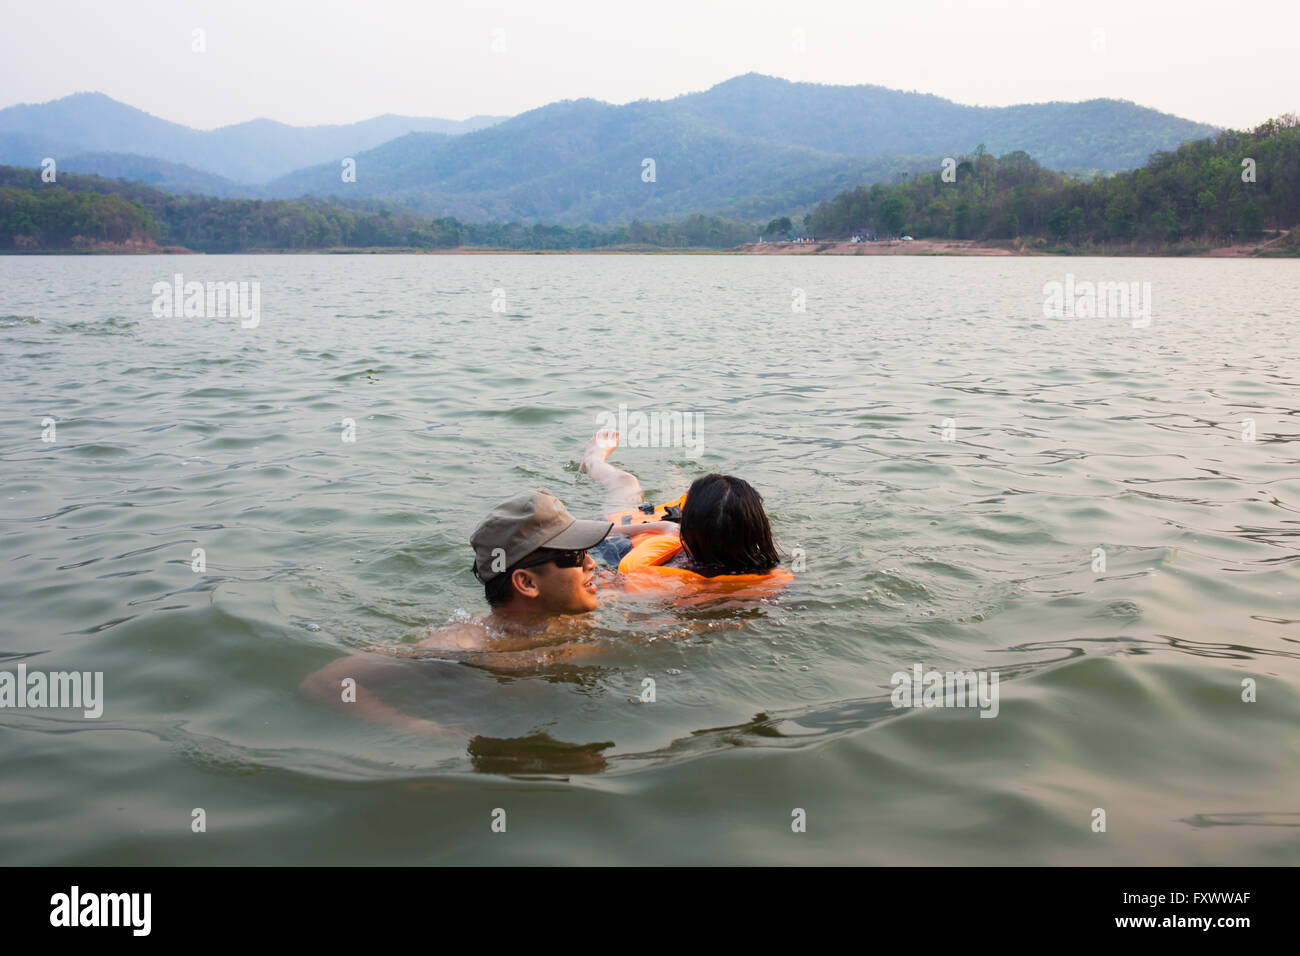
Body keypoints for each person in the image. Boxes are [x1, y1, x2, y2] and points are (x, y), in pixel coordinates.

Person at [299, 490, 617, 735]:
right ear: (527, 583)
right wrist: (419, 730)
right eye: (576, 556)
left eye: (588, 552)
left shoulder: (570, 614)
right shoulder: (460, 651)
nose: (591, 564)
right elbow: (326, 682)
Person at [579, 429, 782, 579]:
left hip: (624, 535)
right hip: (671, 531)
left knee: (626, 482)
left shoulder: (674, 535)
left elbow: (610, 532)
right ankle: (674, 473)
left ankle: (593, 459)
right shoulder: (762, 561)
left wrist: (666, 527)